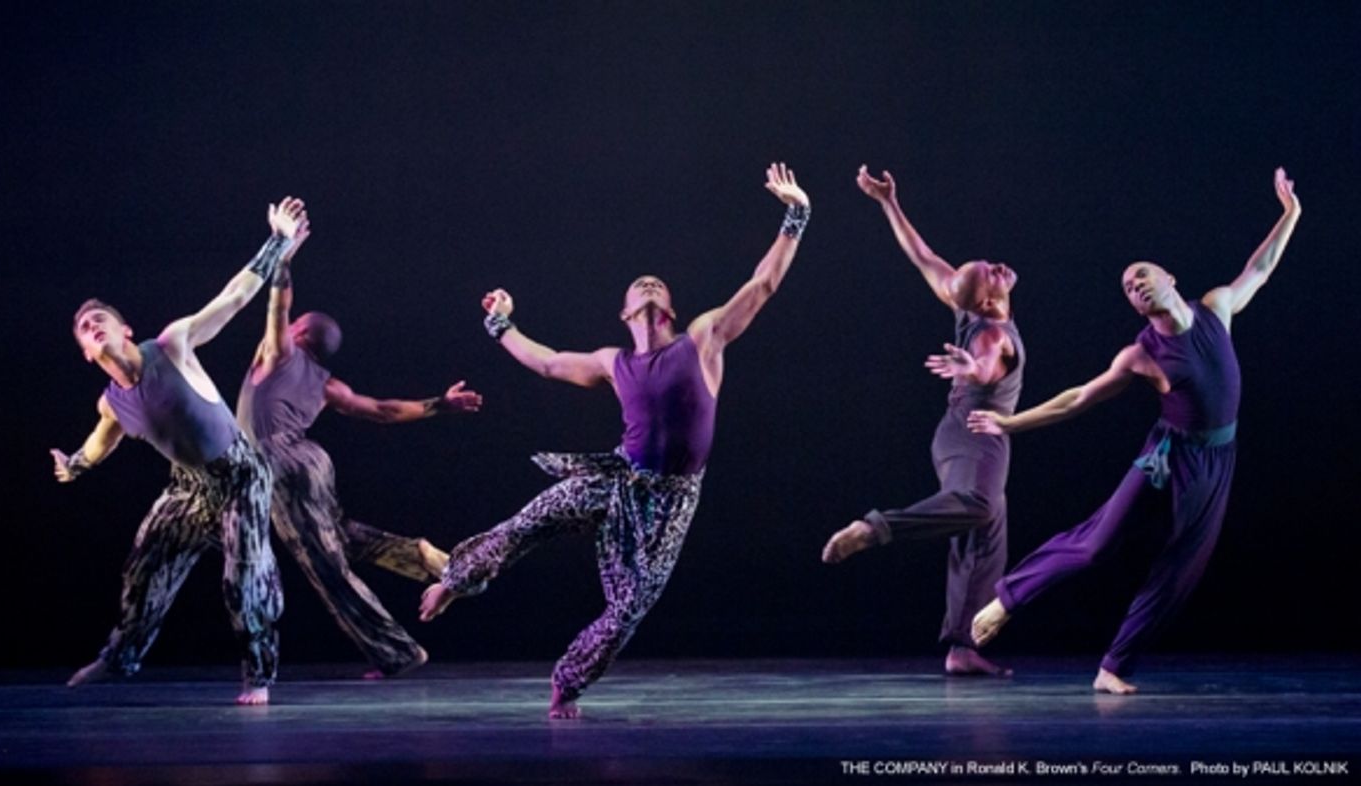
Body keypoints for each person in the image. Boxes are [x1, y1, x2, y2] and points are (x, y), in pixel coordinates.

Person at [418, 163, 811, 718]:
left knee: (631, 605)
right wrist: (502, 324)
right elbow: (549, 363)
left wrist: (796, 215)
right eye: (639, 286)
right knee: (528, 521)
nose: (649, 284)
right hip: (615, 477)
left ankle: (566, 683)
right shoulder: (613, 361)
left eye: (658, 285)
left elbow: (762, 284)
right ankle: (455, 580)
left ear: (670, 310)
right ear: (626, 312)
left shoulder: (702, 339)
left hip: (670, 501)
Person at [967, 168, 1300, 694]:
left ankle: (1113, 668)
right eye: (1127, 288)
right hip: (1167, 456)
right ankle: (1008, 598)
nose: (1135, 285)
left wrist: (1291, 213)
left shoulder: (1217, 307)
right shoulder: (1142, 354)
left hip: (1217, 461)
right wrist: (1011, 422)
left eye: (1141, 276)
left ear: (1169, 278)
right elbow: (1078, 398)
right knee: (1098, 542)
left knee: (1182, 568)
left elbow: (1259, 268)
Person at [52, 197, 309, 705]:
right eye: (85, 328)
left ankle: (259, 674)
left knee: (243, 579)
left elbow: (233, 298)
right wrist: (75, 465)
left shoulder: (173, 344)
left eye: (101, 319)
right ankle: (119, 658)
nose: (94, 326)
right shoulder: (111, 403)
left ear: (124, 329)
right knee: (144, 567)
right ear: (86, 352)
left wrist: (278, 242)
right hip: (189, 487)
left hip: (240, 475)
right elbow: (102, 439)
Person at [235, 240, 482, 680]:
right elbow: (382, 410)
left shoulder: (279, 354)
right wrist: (441, 404)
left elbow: (277, 305)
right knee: (340, 539)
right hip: (310, 463)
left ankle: (396, 651)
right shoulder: (328, 385)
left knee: (326, 568)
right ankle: (420, 556)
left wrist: (283, 259)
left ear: (298, 334)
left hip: (276, 464)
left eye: (293, 324)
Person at [821, 166, 1023, 677]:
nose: (999, 267)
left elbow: (923, 256)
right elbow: (986, 363)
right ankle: (877, 528)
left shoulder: (966, 304)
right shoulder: (991, 333)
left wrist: (889, 203)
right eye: (991, 272)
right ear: (987, 299)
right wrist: (971, 369)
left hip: (957, 435)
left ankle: (962, 646)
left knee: (986, 533)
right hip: (976, 433)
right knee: (979, 507)